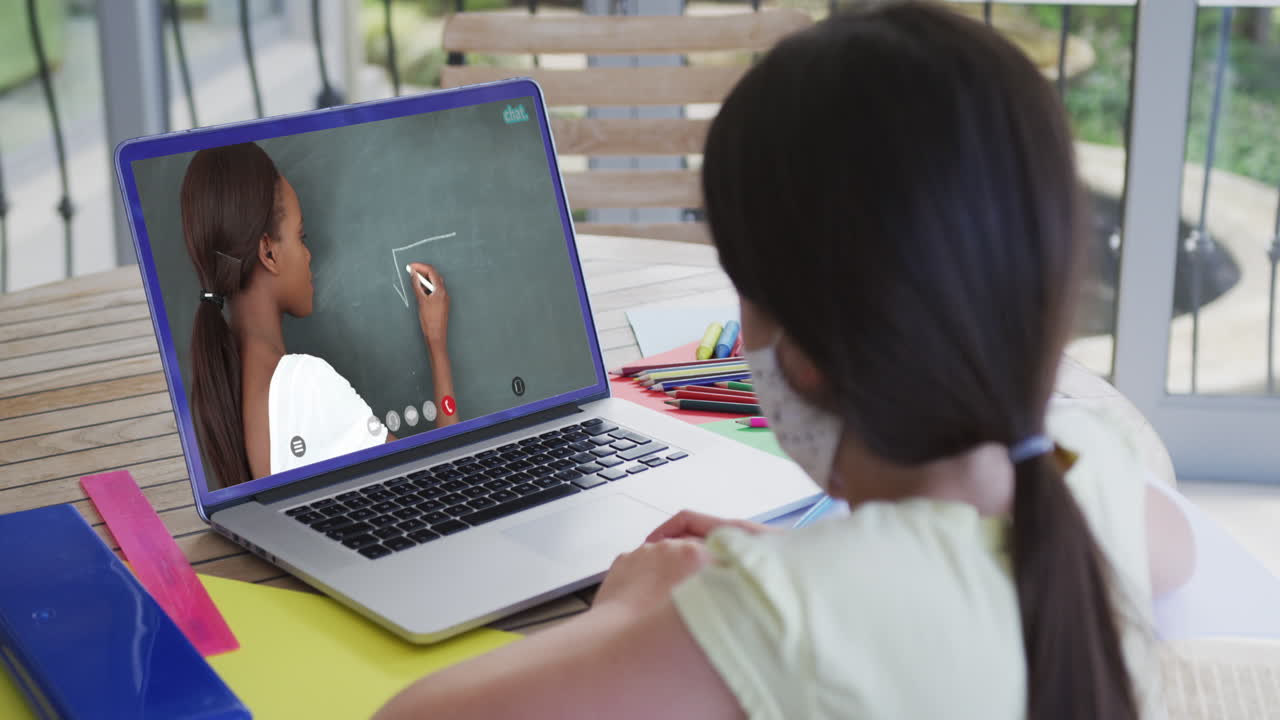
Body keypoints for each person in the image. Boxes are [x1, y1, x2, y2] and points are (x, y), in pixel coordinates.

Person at [375, 4, 1194, 718]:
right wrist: (808, 564)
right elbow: (1168, 551)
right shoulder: (1098, 477)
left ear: (798, 357)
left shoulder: (781, 620)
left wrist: (628, 618)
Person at [181, 142, 459, 488]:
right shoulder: (304, 384)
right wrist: (437, 346)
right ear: (268, 251)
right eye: (301, 236)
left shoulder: (228, 379)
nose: (310, 255)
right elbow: (443, 489)